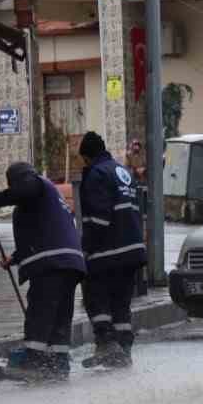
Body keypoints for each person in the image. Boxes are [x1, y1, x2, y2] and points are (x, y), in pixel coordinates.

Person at [0, 161, 86, 380]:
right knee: (60, 314)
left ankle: (34, 361)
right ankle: (58, 363)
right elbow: (40, 235)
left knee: (40, 312)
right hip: (70, 263)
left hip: (52, 265)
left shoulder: (37, 185)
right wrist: (13, 259)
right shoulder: (45, 199)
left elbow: (23, 190)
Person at [78, 131, 147, 368]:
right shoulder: (123, 172)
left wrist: (86, 249)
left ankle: (106, 344)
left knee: (94, 296)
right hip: (132, 250)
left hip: (108, 251)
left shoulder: (96, 174)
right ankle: (123, 350)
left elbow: (98, 218)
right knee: (121, 303)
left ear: (86, 156)